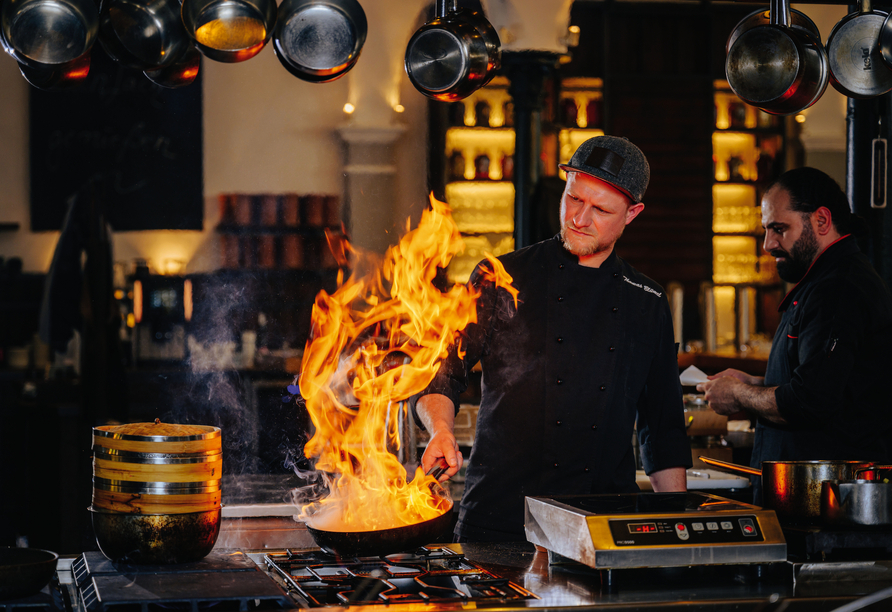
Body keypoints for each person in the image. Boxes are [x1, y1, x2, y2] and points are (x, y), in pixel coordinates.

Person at [411, 135, 692, 542]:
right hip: (500, 519)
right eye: (574, 199)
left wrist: (676, 533)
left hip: (601, 527)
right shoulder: (499, 278)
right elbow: (442, 372)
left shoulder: (646, 301)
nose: (580, 218)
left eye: (600, 209)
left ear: (633, 213)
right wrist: (440, 429)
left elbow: (662, 429)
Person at [696, 167, 892, 505]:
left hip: (826, 507)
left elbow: (810, 400)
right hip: (810, 502)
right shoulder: (824, 280)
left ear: (821, 220)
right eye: (766, 230)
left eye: (779, 229)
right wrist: (756, 383)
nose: (768, 244)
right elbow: (831, 384)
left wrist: (740, 395)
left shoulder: (839, 287)